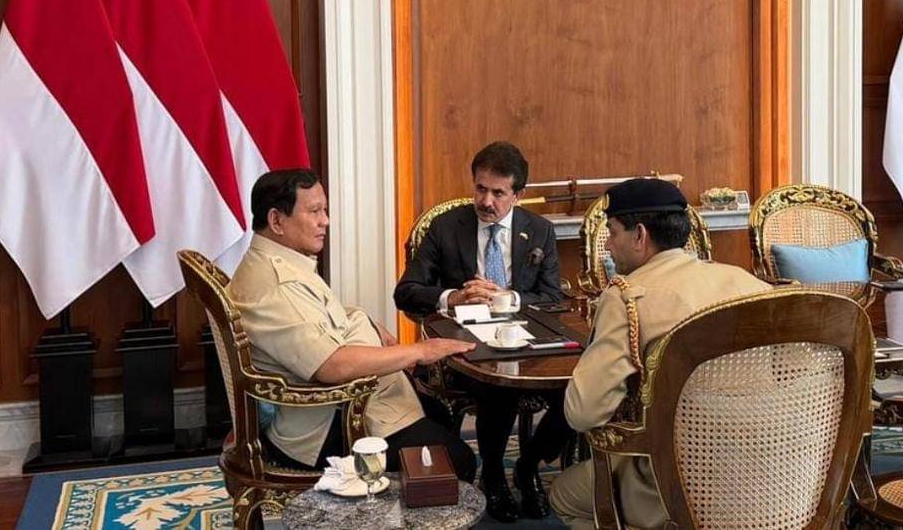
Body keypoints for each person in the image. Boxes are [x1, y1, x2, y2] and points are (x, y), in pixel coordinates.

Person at [548, 178, 773, 529]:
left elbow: (583, 413)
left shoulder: (627, 298)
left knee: (562, 494)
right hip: (772, 478)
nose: (608, 244)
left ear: (639, 235)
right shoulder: (750, 284)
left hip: (675, 486)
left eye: (612, 232)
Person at [227, 168, 478, 482]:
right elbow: (332, 365)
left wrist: (367, 322)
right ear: (277, 221)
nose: (325, 221)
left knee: (436, 411)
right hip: (318, 430)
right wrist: (420, 351)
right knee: (458, 461)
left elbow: (314, 318)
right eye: (314, 212)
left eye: (325, 210)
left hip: (323, 412)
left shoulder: (274, 261)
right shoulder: (277, 286)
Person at [393, 141, 567, 521]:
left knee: (576, 386)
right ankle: (493, 475)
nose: (486, 201)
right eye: (481, 189)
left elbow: (553, 297)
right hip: (465, 348)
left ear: (518, 195)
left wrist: (508, 297)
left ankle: (529, 465)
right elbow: (405, 291)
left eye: (498, 193)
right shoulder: (446, 227)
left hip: (526, 343)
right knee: (498, 384)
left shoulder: (539, 231)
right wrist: (453, 297)